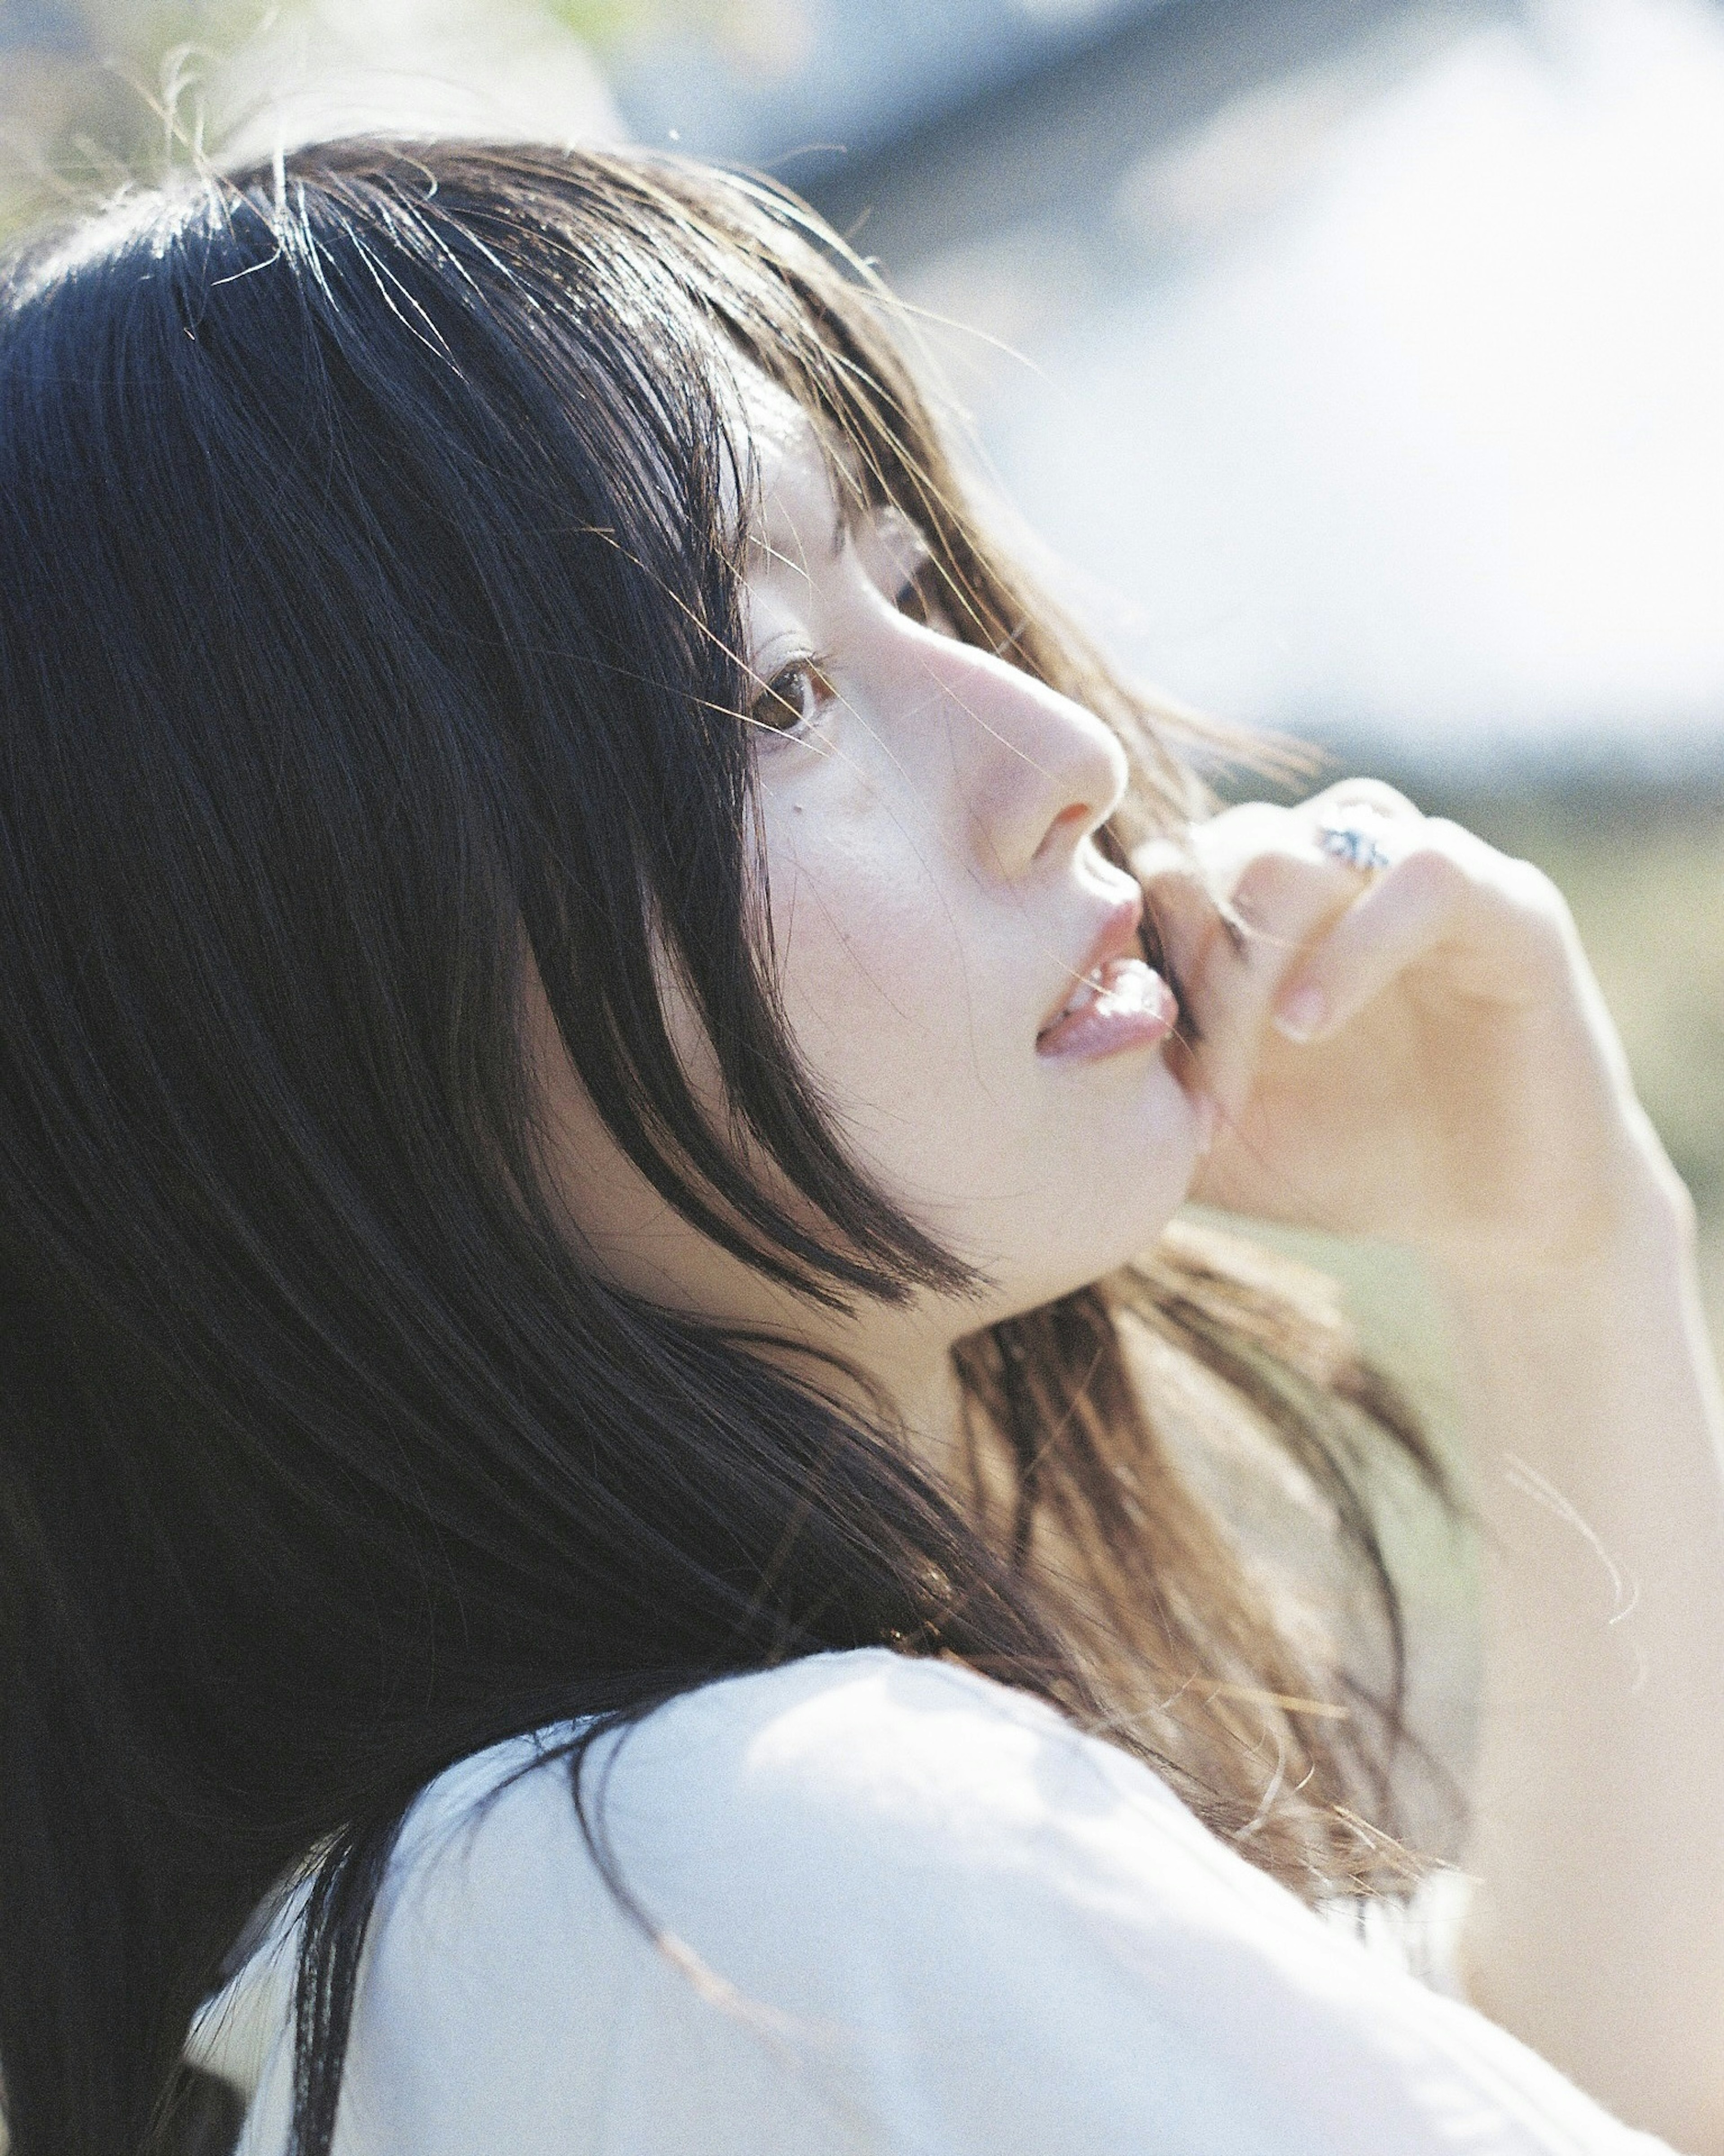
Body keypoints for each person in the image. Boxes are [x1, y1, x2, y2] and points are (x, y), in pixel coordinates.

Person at [0, 137, 1720, 2156]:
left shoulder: (486, 1930)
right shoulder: (747, 1881)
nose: (1058, 758)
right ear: (325, 1006)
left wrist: (1569, 1248)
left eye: (913, 587)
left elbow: (1594, 2085)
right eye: (778, 693)